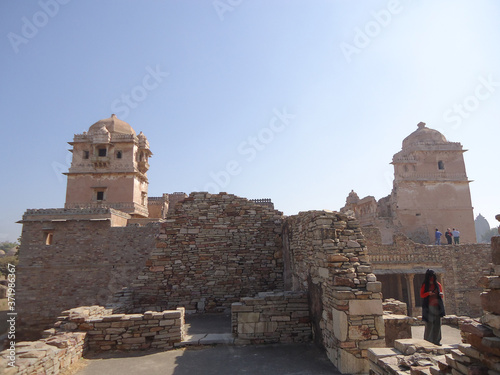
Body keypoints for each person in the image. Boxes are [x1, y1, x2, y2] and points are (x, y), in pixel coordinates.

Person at [420, 269, 445, 345]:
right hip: (429, 306)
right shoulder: (425, 285)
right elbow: (422, 295)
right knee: (429, 324)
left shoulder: (438, 285)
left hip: (437, 307)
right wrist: (428, 293)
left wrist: (440, 295)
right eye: (430, 277)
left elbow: (441, 295)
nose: (431, 279)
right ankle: (428, 341)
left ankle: (436, 340)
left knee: (437, 324)